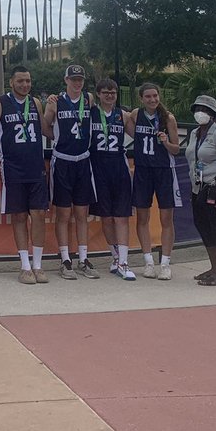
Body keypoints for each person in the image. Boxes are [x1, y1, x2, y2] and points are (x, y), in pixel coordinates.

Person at [0, 65, 49, 285]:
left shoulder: (36, 103)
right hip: (12, 169)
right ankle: (24, 266)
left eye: (28, 81)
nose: (25, 84)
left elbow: (45, 130)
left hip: (36, 168)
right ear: (11, 82)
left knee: (39, 215)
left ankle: (38, 265)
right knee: (20, 217)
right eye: (20, 81)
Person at [43, 65, 100, 280]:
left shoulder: (89, 99)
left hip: (83, 160)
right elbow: (44, 125)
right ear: (66, 79)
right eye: (73, 79)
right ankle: (65, 258)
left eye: (80, 79)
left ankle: (83, 258)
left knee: (81, 213)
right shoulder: (56, 102)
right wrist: (58, 139)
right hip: (63, 161)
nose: (77, 83)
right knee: (64, 213)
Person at [126, 82, 181, 280]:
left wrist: (166, 142)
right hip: (142, 171)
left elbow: (176, 149)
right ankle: (148, 261)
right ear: (141, 99)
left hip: (164, 170)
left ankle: (165, 263)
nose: (152, 100)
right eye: (148, 97)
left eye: (155, 96)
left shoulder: (168, 118)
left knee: (166, 218)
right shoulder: (135, 115)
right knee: (142, 217)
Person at [183, 94, 216, 286]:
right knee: (204, 227)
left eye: (206, 111)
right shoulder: (194, 134)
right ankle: (214, 267)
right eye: (198, 109)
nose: (201, 113)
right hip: (199, 188)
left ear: (213, 114)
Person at [88, 78, 135, 280]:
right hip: (98, 167)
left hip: (118, 166)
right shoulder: (91, 113)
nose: (110, 95)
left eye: (113, 92)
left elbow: (138, 136)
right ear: (98, 94)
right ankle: (115, 256)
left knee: (121, 216)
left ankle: (124, 261)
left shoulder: (123, 115)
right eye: (106, 92)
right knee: (106, 217)